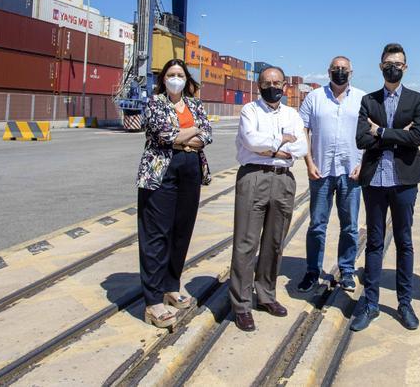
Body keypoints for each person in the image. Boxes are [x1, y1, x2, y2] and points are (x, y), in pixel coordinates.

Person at [351, 42, 420, 332]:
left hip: (404, 181)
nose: (393, 67)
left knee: (404, 242)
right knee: (374, 242)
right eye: (388, 63)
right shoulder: (369, 101)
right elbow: (361, 140)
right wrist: (398, 135)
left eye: (398, 63)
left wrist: (380, 131)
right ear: (380, 66)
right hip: (374, 181)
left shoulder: (417, 100)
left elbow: (416, 138)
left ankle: (404, 303)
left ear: (405, 67)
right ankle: (370, 304)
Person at [230, 66, 309, 332]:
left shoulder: (292, 114)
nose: (272, 86)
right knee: (246, 243)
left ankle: (265, 296)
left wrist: (275, 147)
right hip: (253, 178)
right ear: (259, 85)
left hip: (283, 180)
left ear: (285, 85)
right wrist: (282, 143)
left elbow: (301, 147)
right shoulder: (249, 111)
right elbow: (251, 140)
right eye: (266, 82)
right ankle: (241, 304)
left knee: (274, 242)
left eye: (277, 82)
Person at [137, 59, 213, 328]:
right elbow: (160, 134)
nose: (176, 78)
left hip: (190, 170)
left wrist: (183, 134)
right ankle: (153, 300)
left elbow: (208, 133)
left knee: (182, 231)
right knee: (156, 234)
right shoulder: (155, 102)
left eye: (180, 74)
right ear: (163, 78)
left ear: (187, 78)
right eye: (171, 74)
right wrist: (192, 131)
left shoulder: (195, 104)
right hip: (161, 172)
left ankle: (171, 285)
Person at [296, 56, 364, 293]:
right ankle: (312, 271)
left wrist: (363, 163)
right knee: (317, 225)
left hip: (351, 172)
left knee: (350, 226)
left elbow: (370, 132)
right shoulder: (314, 98)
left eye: (344, 69)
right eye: (336, 69)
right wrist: (308, 161)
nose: (340, 72)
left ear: (351, 72)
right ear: (328, 72)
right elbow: (301, 129)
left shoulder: (362, 99)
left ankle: (346, 271)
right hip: (321, 171)